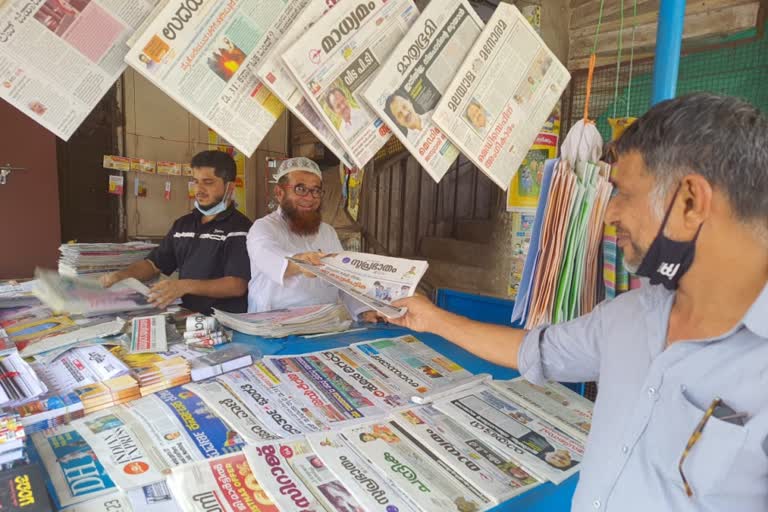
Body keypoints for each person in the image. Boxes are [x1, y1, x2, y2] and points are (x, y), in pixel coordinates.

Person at [389, 93, 768, 511]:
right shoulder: (629, 316)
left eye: (622, 192)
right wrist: (433, 319)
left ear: (690, 201)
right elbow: (534, 351)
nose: (609, 213)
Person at [101, 150, 251, 314]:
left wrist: (184, 286)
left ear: (230, 187)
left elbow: (237, 285)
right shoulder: (183, 225)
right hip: (187, 318)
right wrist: (122, 276)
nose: (199, 189)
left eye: (208, 182)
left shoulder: (240, 228)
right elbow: (154, 264)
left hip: (226, 323)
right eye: (195, 181)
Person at [245, 157, 373, 320]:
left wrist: (364, 309)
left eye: (316, 190)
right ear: (279, 193)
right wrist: (301, 263)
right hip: (272, 327)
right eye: (300, 189)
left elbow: (343, 281)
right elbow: (270, 258)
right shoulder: (263, 228)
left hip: (323, 325)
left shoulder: (327, 232)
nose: (310, 198)